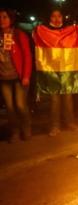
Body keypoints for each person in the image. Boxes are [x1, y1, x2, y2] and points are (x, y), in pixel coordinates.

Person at [45, 9, 78, 136]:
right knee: (54, 100)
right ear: (49, 17)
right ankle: (54, 126)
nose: (57, 18)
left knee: (68, 98)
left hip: (67, 69)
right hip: (52, 70)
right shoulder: (45, 31)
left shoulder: (69, 31)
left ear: (62, 17)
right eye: (53, 16)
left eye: (59, 16)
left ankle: (70, 122)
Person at [0, 8, 32, 143]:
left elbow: (27, 56)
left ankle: (26, 128)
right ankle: (15, 132)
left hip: (18, 77)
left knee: (20, 105)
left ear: (11, 19)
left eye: (4, 17)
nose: (1, 20)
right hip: (3, 77)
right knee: (10, 107)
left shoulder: (19, 34)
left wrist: (26, 76)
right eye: (0, 17)